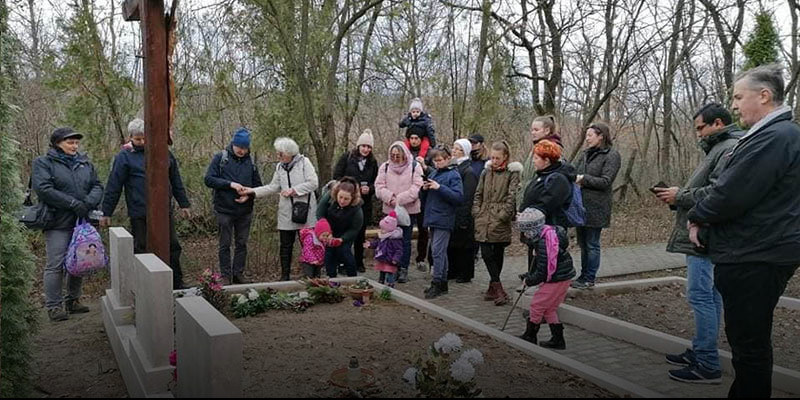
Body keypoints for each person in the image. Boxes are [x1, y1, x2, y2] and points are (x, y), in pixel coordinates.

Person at [687, 64, 800, 397]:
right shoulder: (778, 135)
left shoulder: (776, 137)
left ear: (764, 96)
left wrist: (698, 215)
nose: (733, 105)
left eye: (739, 97)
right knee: (750, 345)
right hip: (760, 249)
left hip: (754, 254)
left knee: (749, 348)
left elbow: (730, 192)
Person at [656, 103, 742, 384]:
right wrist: (677, 196)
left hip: (705, 236)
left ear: (718, 123)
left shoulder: (728, 147)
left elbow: (718, 192)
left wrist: (680, 195)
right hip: (706, 234)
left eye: (700, 128)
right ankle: (703, 351)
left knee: (701, 296)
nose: (698, 134)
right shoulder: (720, 147)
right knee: (711, 296)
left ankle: (707, 363)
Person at [101, 118, 191, 290]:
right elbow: (114, 186)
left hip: (164, 210)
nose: (142, 142)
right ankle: (144, 287)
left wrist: (183, 203)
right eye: (138, 139)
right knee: (142, 249)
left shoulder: (164, 152)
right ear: (131, 138)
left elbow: (175, 180)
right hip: (139, 211)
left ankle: (177, 283)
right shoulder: (124, 157)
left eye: (144, 138)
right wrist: (106, 212)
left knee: (172, 246)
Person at [33, 127, 104, 321]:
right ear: (57, 143)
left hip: (81, 221)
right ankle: (54, 306)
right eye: (70, 142)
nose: (74, 146)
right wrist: (73, 203)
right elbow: (43, 189)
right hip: (57, 221)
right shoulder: (43, 163)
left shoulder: (84, 163)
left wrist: (88, 203)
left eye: (76, 143)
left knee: (80, 261)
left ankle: (73, 300)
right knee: (55, 264)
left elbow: (97, 185)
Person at [242, 137, 318, 281]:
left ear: (289, 153)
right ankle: (285, 277)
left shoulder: (304, 163)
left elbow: (313, 183)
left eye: (280, 153)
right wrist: (251, 192)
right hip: (286, 212)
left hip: (305, 212)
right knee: (285, 246)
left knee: (308, 245)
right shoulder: (279, 167)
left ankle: (312, 277)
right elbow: (273, 187)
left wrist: (294, 190)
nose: (278, 156)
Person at [203, 127, 263, 284]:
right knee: (225, 244)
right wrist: (230, 184)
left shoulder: (251, 162)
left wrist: (248, 195)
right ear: (233, 144)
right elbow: (209, 179)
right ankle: (225, 275)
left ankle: (238, 273)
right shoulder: (220, 158)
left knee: (241, 243)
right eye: (239, 148)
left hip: (245, 210)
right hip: (224, 210)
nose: (242, 151)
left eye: (245, 148)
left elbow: (258, 186)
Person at [571, 122, 622, 289]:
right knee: (583, 244)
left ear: (601, 136)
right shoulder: (585, 154)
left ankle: (589, 278)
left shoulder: (612, 155)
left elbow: (606, 181)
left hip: (597, 207)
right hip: (581, 207)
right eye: (586, 136)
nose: (587, 139)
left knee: (592, 243)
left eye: (590, 135)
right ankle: (583, 275)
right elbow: (574, 172)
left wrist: (583, 179)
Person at [472, 141, 523, 305]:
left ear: (505, 157)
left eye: (497, 158)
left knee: (497, 252)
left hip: (500, 218)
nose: (494, 161)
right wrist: (476, 210)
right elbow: (478, 193)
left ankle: (492, 287)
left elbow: (512, 196)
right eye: (492, 157)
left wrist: (503, 215)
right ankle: (498, 288)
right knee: (486, 252)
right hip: (484, 216)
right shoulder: (486, 172)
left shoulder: (512, 173)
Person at [517, 208, 575, 349]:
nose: (525, 235)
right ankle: (558, 340)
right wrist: (529, 274)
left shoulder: (544, 242)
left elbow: (543, 271)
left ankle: (530, 335)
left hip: (556, 279)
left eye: (526, 232)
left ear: (532, 229)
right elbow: (541, 264)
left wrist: (529, 280)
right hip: (562, 277)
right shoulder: (547, 235)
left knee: (537, 306)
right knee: (549, 309)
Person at [374, 142, 425, 283]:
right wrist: (390, 198)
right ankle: (390, 267)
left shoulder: (415, 167)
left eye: (398, 155)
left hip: (408, 210)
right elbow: (379, 186)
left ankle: (403, 268)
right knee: (389, 239)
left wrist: (400, 199)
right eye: (393, 155)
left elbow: (416, 187)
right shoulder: (384, 167)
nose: (396, 158)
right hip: (390, 211)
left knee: (405, 240)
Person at [332, 129, 378, 273]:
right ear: (358, 146)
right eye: (363, 146)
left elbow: (376, 182)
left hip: (364, 203)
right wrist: (351, 188)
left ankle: (359, 261)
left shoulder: (373, 162)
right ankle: (342, 263)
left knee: (360, 233)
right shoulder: (347, 157)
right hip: (346, 201)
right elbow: (337, 176)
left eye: (369, 147)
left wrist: (369, 189)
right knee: (344, 233)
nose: (366, 149)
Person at [420, 146, 463, 299]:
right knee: (439, 251)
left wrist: (440, 188)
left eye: (439, 160)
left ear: (447, 159)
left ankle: (437, 281)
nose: (437, 163)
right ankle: (442, 282)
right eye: (435, 161)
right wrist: (424, 189)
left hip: (444, 218)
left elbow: (458, 198)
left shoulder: (454, 175)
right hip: (433, 217)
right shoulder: (433, 173)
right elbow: (425, 198)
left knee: (437, 251)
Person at [519, 139, 574, 228]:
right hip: (536, 227)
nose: (533, 161)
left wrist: (528, 215)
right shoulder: (542, 175)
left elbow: (547, 204)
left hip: (549, 231)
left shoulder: (558, 179)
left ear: (546, 160)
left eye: (536, 158)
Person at [315, 177, 364, 277]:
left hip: (346, 232)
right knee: (329, 254)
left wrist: (342, 239)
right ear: (336, 193)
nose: (342, 201)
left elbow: (354, 229)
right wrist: (326, 231)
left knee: (344, 252)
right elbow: (320, 213)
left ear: (352, 198)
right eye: (340, 197)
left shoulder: (357, 210)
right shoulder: (329, 196)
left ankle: (352, 277)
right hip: (329, 228)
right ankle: (331, 278)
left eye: (346, 199)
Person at [447, 139, 479, 283]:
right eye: (453, 148)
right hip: (453, 211)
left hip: (463, 213)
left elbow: (468, 196)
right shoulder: (454, 167)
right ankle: (453, 270)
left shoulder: (468, 171)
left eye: (457, 149)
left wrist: (465, 216)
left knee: (464, 246)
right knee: (453, 244)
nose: (454, 151)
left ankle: (465, 273)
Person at [519, 115, 566, 204]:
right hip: (528, 199)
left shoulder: (554, 150)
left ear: (547, 130)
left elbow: (555, 181)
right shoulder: (536, 148)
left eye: (536, 130)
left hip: (540, 202)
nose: (533, 132)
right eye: (532, 130)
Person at [405, 131, 434, 272]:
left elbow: (434, 173)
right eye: (411, 138)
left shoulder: (429, 154)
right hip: (408, 196)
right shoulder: (404, 152)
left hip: (424, 196)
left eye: (416, 138)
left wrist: (424, 167)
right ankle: (403, 258)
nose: (414, 141)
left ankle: (421, 258)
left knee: (423, 229)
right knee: (406, 227)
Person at [364, 211, 404, 287]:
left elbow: (399, 250)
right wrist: (370, 245)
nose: (381, 230)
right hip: (382, 258)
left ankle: (390, 284)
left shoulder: (395, 239)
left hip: (390, 259)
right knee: (382, 270)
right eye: (381, 228)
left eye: (383, 229)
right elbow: (377, 243)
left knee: (389, 272)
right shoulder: (383, 236)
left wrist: (396, 258)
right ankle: (381, 282)